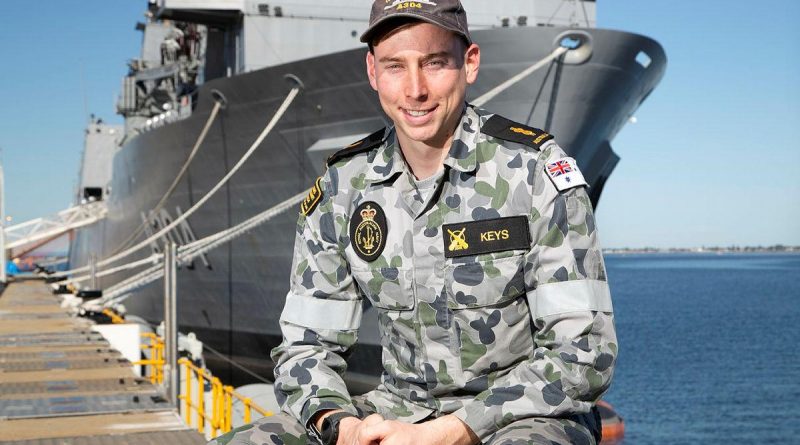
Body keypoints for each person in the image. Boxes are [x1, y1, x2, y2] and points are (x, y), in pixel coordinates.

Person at [210, 1, 616, 444]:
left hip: (526, 416)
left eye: (435, 63)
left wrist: (454, 431)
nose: (415, 89)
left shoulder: (534, 171)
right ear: (372, 72)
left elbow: (584, 352)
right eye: (395, 67)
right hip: (398, 411)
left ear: (470, 63)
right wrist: (341, 426)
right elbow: (307, 347)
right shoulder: (344, 186)